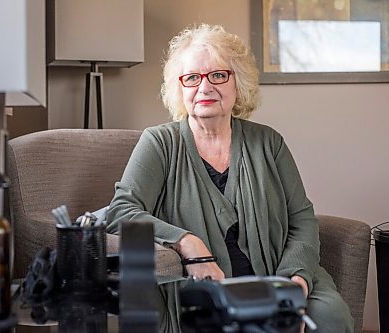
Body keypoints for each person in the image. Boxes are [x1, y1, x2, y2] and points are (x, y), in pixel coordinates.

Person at [107, 23, 353, 333]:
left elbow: (301, 219)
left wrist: (295, 284)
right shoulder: (159, 143)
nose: (205, 87)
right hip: (203, 286)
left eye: (218, 75)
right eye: (193, 77)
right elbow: (121, 212)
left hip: (277, 274)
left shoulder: (268, 143)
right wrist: (188, 243)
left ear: (238, 83)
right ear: (179, 88)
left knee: (330, 319)